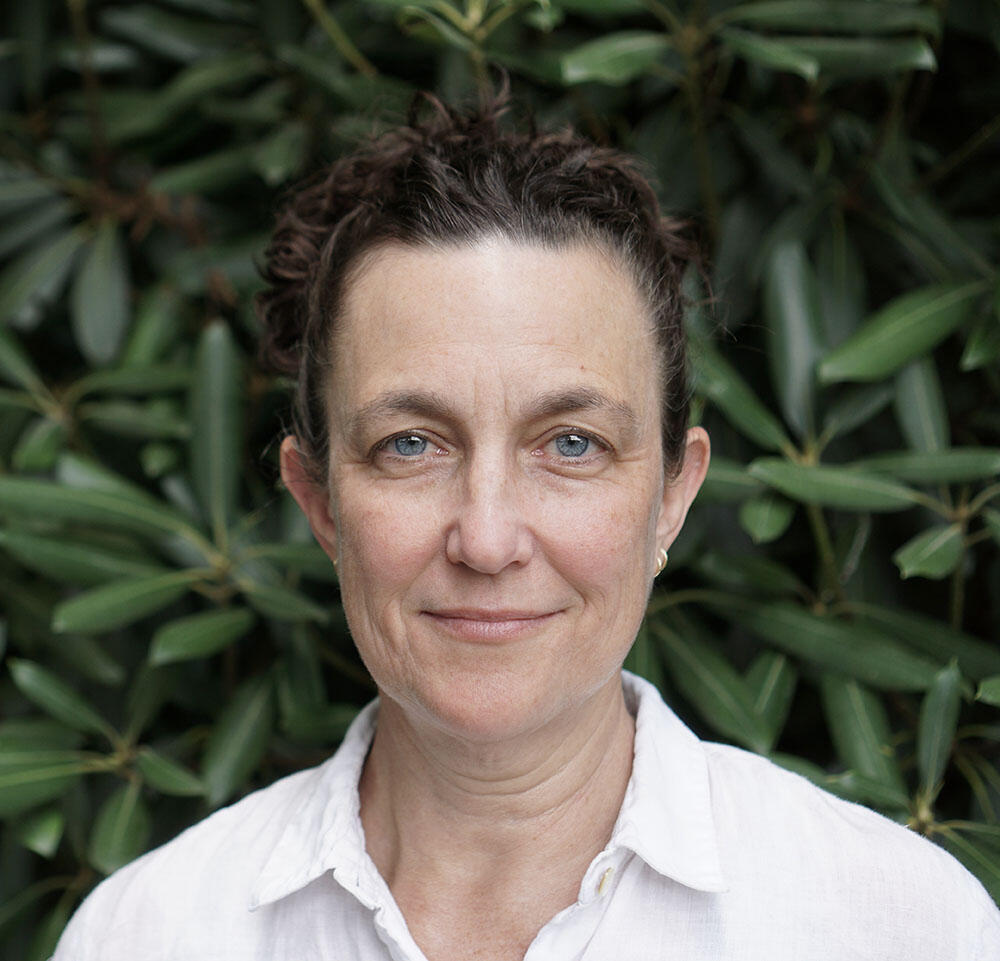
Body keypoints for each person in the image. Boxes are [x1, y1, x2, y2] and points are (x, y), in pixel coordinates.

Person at [53, 92, 999, 961]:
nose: (489, 538)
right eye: (412, 443)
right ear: (319, 501)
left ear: (673, 493)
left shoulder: (899, 925)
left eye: (573, 443)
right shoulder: (149, 933)